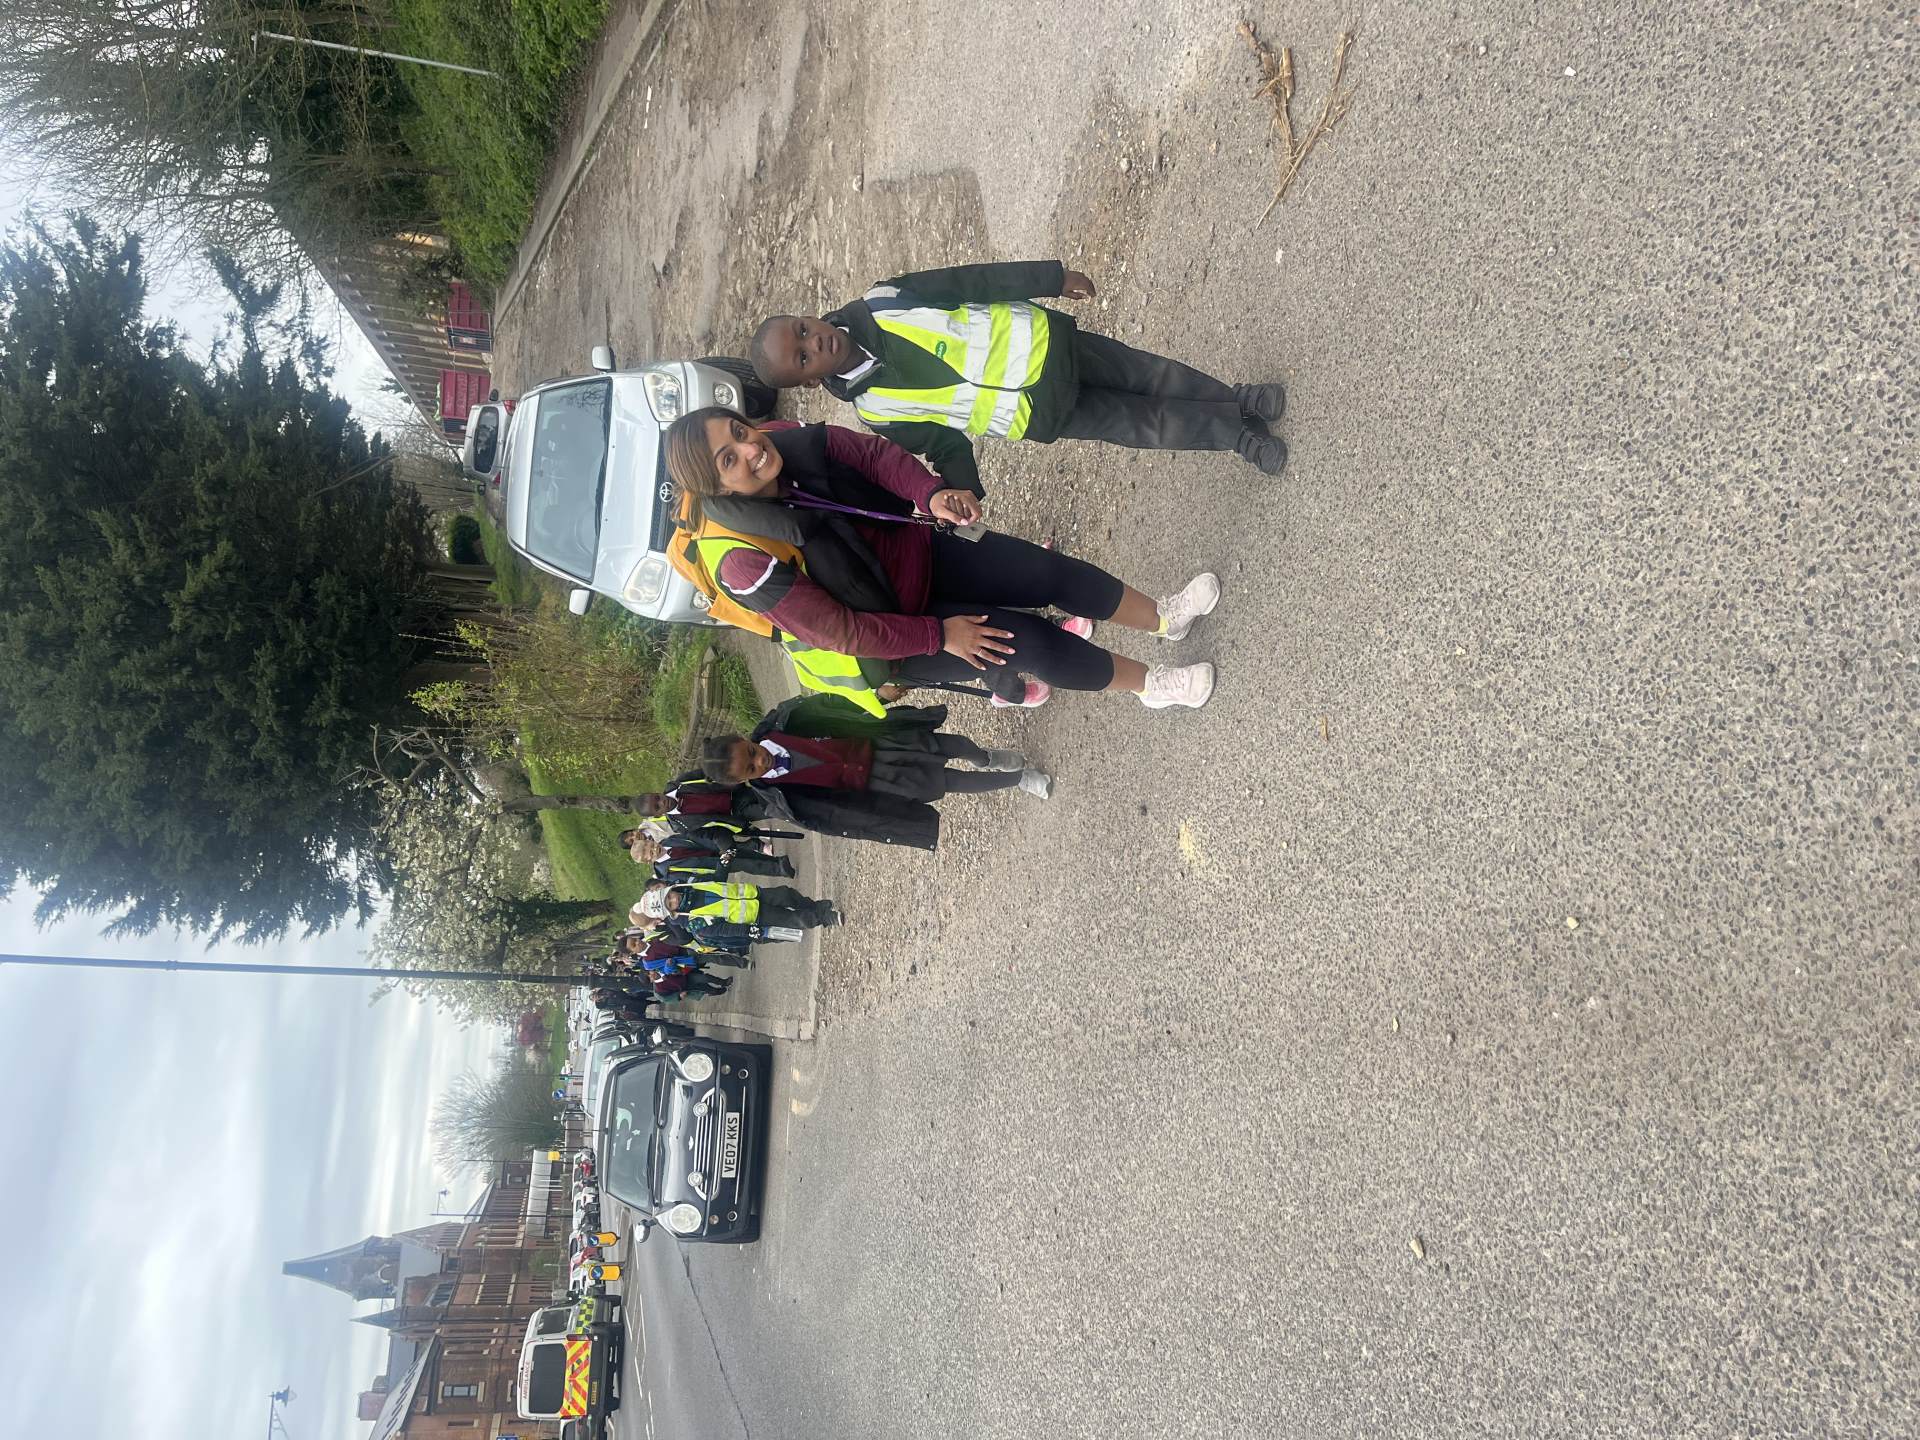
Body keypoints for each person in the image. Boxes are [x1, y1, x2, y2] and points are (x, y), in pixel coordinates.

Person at [662, 408, 1219, 709]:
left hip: (920, 549)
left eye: (740, 430)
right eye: (729, 459)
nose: (752, 449)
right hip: (901, 629)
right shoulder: (739, 561)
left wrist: (928, 493)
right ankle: (1152, 686)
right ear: (719, 488)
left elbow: (872, 456)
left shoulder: (779, 438)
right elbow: (840, 631)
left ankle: (1164, 618)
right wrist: (939, 635)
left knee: (1047, 572)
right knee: (1030, 644)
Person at [747, 259, 1289, 481]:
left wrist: (1050, 278)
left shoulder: (884, 299)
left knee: (1153, 376)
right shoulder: (876, 410)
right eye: (804, 357)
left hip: (1050, 349)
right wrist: (959, 490)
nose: (814, 341)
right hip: (1039, 412)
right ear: (810, 381)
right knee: (1147, 426)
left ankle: (1236, 400)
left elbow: (972, 282)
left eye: (802, 328)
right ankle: (1237, 436)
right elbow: (943, 442)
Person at [702, 693, 1053, 801]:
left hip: (881, 744)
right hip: (877, 782)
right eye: (751, 769)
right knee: (952, 782)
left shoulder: (782, 723)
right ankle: (1019, 779)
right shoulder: (777, 795)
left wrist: (877, 697)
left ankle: (985, 757)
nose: (760, 761)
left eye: (752, 752)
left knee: (955, 745)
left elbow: (832, 704)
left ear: (745, 738)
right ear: (744, 781)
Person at [635, 879, 839, 947]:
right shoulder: (693, 923)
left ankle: (814, 906)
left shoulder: (691, 885)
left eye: (669, 896)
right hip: (754, 916)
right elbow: (724, 930)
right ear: (671, 912)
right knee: (792, 919)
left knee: (787, 894)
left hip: (754, 894)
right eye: (670, 904)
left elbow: (717, 881)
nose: (674, 899)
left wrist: (723, 862)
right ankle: (824, 918)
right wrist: (749, 931)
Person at [623, 829, 796, 881]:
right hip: (713, 865)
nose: (655, 849)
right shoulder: (666, 871)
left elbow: (691, 838)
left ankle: (776, 861)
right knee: (747, 865)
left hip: (713, 849)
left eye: (652, 845)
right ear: (649, 861)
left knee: (747, 854)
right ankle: (780, 870)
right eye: (651, 853)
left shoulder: (669, 841)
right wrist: (715, 875)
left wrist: (715, 844)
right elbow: (688, 877)